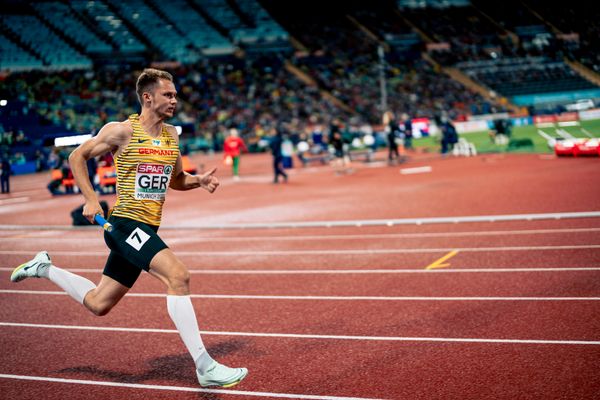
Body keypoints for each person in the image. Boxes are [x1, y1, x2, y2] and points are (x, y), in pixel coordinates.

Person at [10, 68, 248, 388]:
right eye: (169, 94)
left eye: (175, 94)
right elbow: (77, 157)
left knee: (99, 303)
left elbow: (176, 179)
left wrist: (198, 181)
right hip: (124, 224)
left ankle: (44, 267)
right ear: (148, 97)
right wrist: (91, 200)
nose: (175, 99)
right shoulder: (121, 131)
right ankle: (205, 367)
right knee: (178, 275)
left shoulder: (171, 135)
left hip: (147, 228)